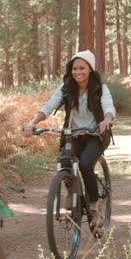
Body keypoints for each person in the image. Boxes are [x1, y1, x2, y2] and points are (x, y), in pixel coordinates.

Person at [23, 50, 115, 228]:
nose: (77, 72)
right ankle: (73, 196)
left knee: (86, 164)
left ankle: (96, 207)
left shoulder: (100, 89)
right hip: (72, 134)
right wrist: (32, 122)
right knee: (64, 162)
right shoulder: (66, 88)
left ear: (90, 69)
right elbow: (49, 105)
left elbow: (108, 106)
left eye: (82, 68)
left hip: (95, 134)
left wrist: (107, 119)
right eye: (74, 68)